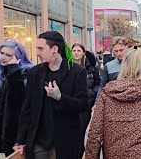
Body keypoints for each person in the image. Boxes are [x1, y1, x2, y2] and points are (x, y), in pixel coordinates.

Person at [13, 31, 89, 159]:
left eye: (41, 48)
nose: (37, 53)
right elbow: (27, 108)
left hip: (65, 140)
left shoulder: (77, 72)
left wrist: (60, 97)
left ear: (54, 49)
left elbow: (82, 104)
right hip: (38, 140)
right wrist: (20, 140)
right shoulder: (34, 73)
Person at [0, 41, 33, 159]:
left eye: (8, 55)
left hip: (11, 126)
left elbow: (19, 99)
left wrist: (14, 70)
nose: (3, 57)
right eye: (2, 53)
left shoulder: (25, 72)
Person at [71, 43, 100, 158]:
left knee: (84, 131)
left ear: (83, 53)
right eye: (74, 50)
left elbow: (98, 83)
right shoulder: (68, 67)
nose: (76, 53)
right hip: (73, 104)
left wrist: (92, 93)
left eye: (79, 50)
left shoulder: (91, 68)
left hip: (87, 105)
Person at [95, 36, 129, 101]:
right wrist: (97, 103)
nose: (119, 53)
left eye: (121, 50)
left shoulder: (135, 64)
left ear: (127, 48)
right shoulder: (109, 66)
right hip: (113, 103)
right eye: (116, 51)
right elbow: (102, 86)